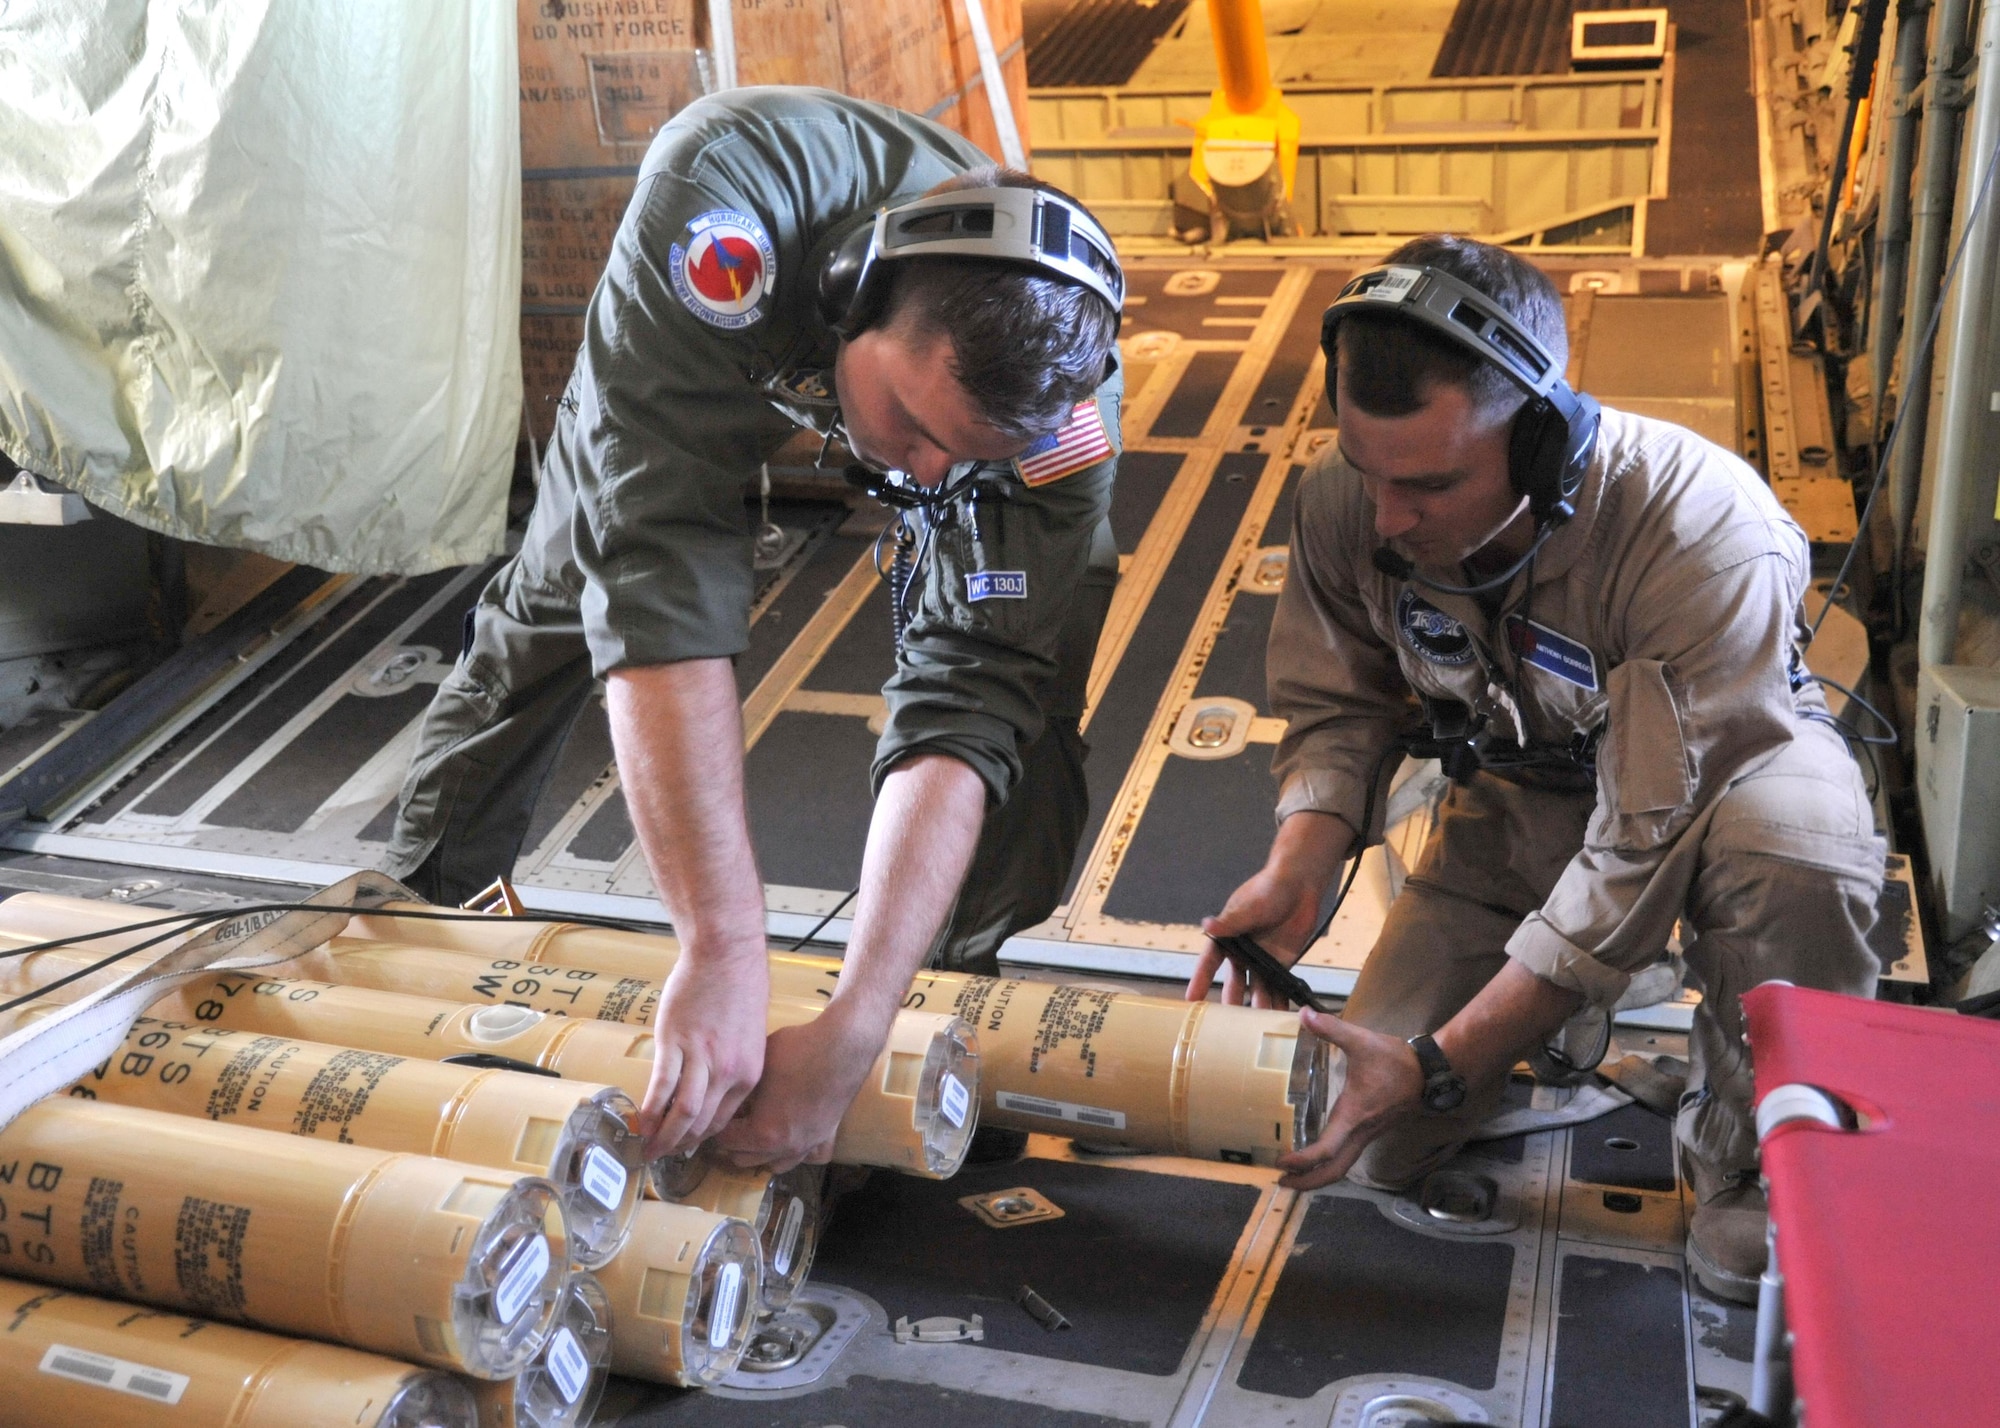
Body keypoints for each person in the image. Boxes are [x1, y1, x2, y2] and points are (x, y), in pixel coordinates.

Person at [384, 88, 1124, 1172]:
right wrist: (722, 947)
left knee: (1026, 691)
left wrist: (858, 1023)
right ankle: (425, 912)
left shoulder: (1059, 433)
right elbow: (658, 568)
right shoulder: (720, 213)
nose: (917, 476)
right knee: (557, 598)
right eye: (910, 428)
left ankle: (954, 996)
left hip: (931, 399)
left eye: (959, 456)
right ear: (851, 304)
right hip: (704, 360)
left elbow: (972, 692)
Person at [1190, 235, 1884, 1305]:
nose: (1384, 520)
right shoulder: (1354, 497)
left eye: (1426, 482)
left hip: (1725, 780)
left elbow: (1642, 838)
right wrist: (1299, 861)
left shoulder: (1699, 532)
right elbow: (1338, 708)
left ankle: (1749, 1167)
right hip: (1524, 794)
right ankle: (1546, 1008)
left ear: (1542, 443)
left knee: (1790, 853)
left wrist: (1440, 1060)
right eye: (1365, 472)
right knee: (1371, 1141)